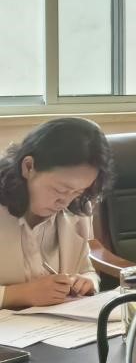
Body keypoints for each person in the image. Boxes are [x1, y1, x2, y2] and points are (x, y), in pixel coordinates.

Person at [0, 118, 112, 309]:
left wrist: (86, 282)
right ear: (28, 167)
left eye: (78, 191)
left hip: (59, 322)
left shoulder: (77, 208)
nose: (65, 202)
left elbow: (86, 269)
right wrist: (18, 295)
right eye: (59, 189)